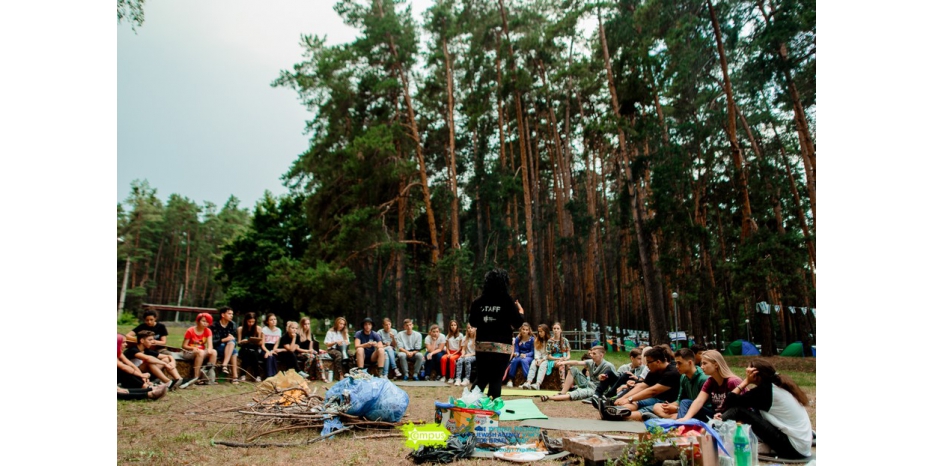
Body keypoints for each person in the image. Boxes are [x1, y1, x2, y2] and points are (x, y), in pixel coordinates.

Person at [719, 359, 812, 459]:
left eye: (748, 371)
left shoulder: (765, 391)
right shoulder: (775, 385)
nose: (746, 371)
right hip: (800, 446)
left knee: (739, 411)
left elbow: (730, 402)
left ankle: (714, 429)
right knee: (749, 411)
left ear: (755, 374)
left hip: (793, 449)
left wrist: (745, 382)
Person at [467, 269, 525, 399]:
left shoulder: (478, 301)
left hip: (482, 345)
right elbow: (517, 322)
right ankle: (492, 407)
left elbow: (473, 322)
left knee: (481, 378)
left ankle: (469, 403)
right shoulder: (507, 300)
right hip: (501, 346)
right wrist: (521, 313)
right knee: (496, 379)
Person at [603, 346, 680, 421]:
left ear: (658, 362)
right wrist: (623, 398)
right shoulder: (654, 371)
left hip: (668, 402)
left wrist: (629, 399)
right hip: (654, 399)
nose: (646, 365)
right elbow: (642, 386)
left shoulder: (672, 373)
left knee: (645, 411)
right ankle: (613, 410)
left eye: (649, 362)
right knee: (635, 402)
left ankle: (618, 415)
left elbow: (653, 391)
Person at [676, 350, 743, 422]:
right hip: (714, 416)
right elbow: (699, 401)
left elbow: (739, 408)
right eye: (701, 364)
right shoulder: (710, 381)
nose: (701, 367)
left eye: (704, 363)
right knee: (686, 402)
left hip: (732, 417)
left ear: (716, 365)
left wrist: (723, 416)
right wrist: (686, 418)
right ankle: (681, 425)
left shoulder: (732, 381)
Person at [651, 348, 710, 420]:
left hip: (701, 411)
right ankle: (669, 418)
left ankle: (666, 419)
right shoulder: (683, 377)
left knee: (685, 404)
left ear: (690, 363)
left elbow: (704, 405)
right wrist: (668, 406)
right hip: (685, 408)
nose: (676, 366)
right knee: (657, 406)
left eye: (679, 363)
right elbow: (679, 399)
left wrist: (677, 409)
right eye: (676, 363)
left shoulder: (704, 379)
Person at [540, 345, 614, 402]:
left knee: (576, 393)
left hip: (596, 389)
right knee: (573, 369)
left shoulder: (608, 366)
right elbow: (577, 362)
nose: (591, 355)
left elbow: (615, 381)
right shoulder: (591, 362)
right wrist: (564, 362)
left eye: (594, 354)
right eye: (591, 353)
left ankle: (549, 397)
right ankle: (562, 392)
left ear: (601, 355)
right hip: (588, 383)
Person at [182, 313, 218, 384]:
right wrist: (192, 348)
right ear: (198, 321)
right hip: (189, 352)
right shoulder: (190, 330)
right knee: (200, 352)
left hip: (201, 351)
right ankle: (196, 377)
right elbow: (184, 345)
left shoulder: (208, 331)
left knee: (214, 352)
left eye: (207, 322)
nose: (205, 323)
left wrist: (209, 350)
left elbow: (210, 345)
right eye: (203, 321)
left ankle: (209, 377)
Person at [211, 306, 240, 383]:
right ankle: (235, 376)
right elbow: (213, 342)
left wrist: (231, 339)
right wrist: (224, 340)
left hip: (229, 347)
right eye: (229, 314)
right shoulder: (215, 325)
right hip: (217, 348)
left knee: (232, 344)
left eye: (232, 314)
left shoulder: (232, 324)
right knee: (234, 351)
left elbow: (235, 339)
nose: (231, 315)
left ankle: (224, 365)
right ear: (223, 315)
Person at [504, 322, 534, 388]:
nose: (524, 331)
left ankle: (527, 381)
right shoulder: (518, 338)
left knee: (524, 361)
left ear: (529, 330)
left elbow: (532, 352)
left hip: (529, 356)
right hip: (520, 355)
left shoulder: (532, 339)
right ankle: (510, 380)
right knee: (514, 361)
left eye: (526, 330)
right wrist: (516, 354)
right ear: (521, 330)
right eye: (523, 329)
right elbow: (517, 350)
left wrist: (526, 355)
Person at [237, 312, 263, 381]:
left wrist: (255, 340)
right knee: (247, 352)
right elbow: (238, 343)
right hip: (244, 348)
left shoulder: (258, 329)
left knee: (253, 353)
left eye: (253, 322)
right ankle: (243, 375)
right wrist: (243, 341)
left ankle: (257, 375)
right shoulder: (240, 329)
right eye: (249, 321)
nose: (251, 323)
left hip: (255, 348)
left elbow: (260, 342)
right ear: (246, 321)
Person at [522, 324, 550, 389]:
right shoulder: (537, 340)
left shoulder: (549, 341)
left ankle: (538, 384)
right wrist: (537, 359)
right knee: (533, 364)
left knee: (543, 366)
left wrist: (542, 360)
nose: (539, 333)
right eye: (539, 331)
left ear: (545, 332)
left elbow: (549, 353)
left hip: (546, 359)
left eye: (541, 331)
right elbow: (536, 352)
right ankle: (528, 382)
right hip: (538, 358)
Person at [261, 313, 284, 378]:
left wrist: (272, 351)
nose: (274, 321)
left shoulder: (279, 330)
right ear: (267, 322)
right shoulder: (264, 330)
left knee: (273, 357)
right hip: (265, 349)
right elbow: (262, 345)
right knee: (269, 357)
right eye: (271, 320)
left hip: (274, 349)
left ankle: (274, 376)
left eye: (275, 319)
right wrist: (267, 351)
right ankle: (269, 376)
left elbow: (276, 344)